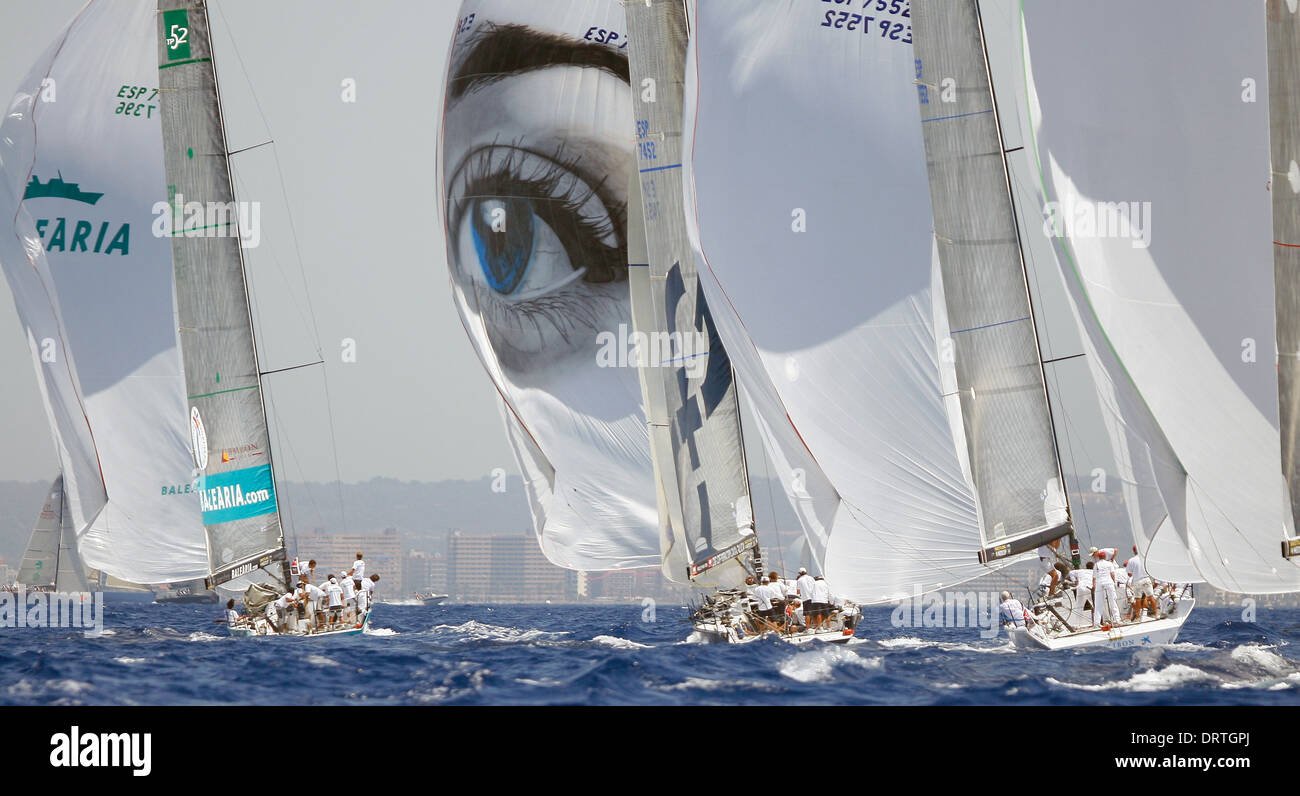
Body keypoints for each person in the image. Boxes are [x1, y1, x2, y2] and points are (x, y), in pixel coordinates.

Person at [1125, 546, 1156, 621]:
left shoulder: (1131, 560)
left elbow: (1129, 574)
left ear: (1133, 551)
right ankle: (1155, 614)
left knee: (1137, 599)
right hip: (1146, 579)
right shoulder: (1145, 558)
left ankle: (1138, 617)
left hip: (1137, 580)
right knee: (1151, 597)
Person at [1092, 550, 1122, 626]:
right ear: (1105, 557)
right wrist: (1114, 582)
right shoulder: (1109, 564)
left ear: (1099, 557)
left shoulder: (1096, 565)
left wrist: (1094, 586)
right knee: (1113, 601)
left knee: (1098, 603)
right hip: (1108, 582)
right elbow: (1112, 574)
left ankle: (1096, 623)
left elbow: (1094, 578)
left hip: (1099, 583)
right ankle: (1117, 619)